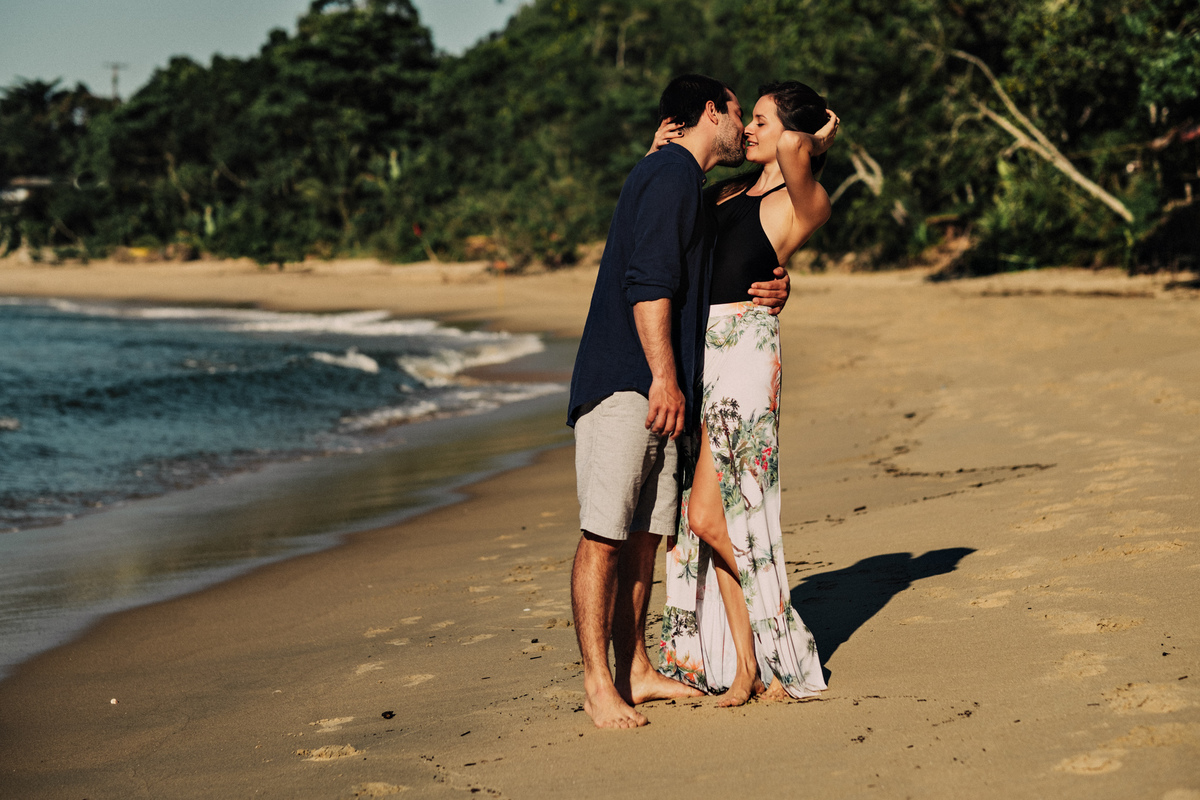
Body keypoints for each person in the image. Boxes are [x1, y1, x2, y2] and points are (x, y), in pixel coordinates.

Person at [567, 74, 792, 729]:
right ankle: (597, 684)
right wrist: (664, 378)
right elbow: (648, 285)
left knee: (642, 537)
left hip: (657, 391)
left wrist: (778, 283)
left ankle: (635, 668)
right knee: (603, 535)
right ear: (709, 111)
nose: (741, 127)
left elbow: (729, 253)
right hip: (627, 385)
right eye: (735, 112)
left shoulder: (674, 181)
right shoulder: (669, 178)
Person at [652, 81, 839, 706]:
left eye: (760, 120)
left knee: (712, 515)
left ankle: (777, 637)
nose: (750, 130)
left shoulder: (804, 201)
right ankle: (747, 666)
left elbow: (792, 152)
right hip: (700, 352)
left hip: (744, 359)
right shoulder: (726, 192)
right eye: (749, 119)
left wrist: (815, 136)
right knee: (703, 519)